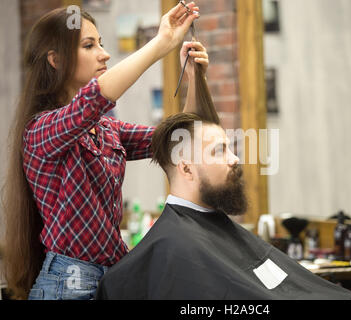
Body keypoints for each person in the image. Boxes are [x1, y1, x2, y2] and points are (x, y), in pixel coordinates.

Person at [1, 2, 209, 300]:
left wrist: (193, 79)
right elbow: (93, 99)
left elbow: (178, 141)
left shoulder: (107, 130)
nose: (105, 53)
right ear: (56, 60)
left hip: (112, 278)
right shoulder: (41, 131)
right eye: (89, 45)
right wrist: (161, 42)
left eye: (101, 43)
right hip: (67, 287)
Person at [96, 113, 351, 300]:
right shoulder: (174, 246)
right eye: (219, 151)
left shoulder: (205, 227)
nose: (235, 159)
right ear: (186, 167)